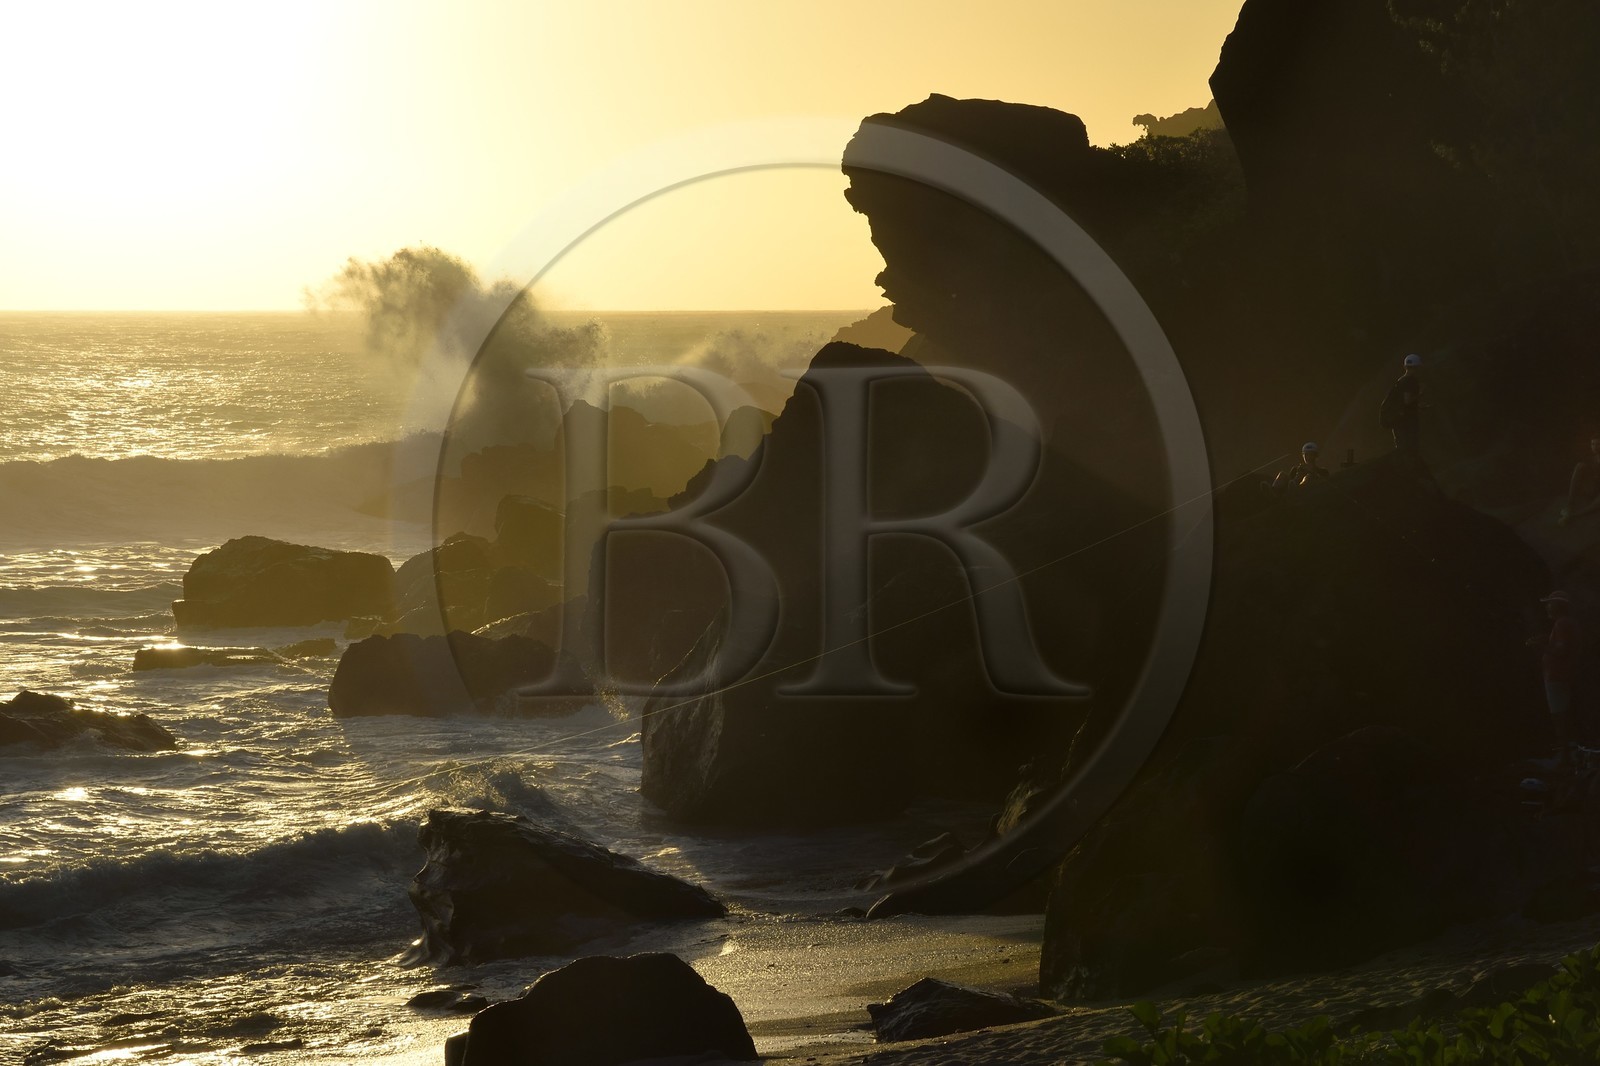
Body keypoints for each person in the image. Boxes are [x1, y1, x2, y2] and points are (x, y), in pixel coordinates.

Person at [1528, 590, 1581, 758]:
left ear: (1558, 606)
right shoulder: (1566, 623)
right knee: (1564, 715)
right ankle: (1569, 753)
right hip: (1562, 676)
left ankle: (1564, 756)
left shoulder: (1562, 624)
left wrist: (1540, 646)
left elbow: (1562, 650)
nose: (1547, 607)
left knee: (1559, 717)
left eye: (1550, 604)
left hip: (1557, 677)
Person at [1381, 354, 1424, 454]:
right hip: (1407, 421)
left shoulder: (1400, 380)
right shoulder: (1411, 381)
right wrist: (1420, 394)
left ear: (1405, 367)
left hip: (1398, 419)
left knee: (1401, 447)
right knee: (1410, 447)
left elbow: (1402, 402)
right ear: (1417, 367)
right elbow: (1407, 400)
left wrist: (1418, 406)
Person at [1559, 437, 1600, 527]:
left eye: (1598, 444)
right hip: (1591, 488)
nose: (1595, 447)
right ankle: (1570, 504)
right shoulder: (1591, 459)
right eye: (1593, 444)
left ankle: (1573, 516)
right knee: (1579, 465)